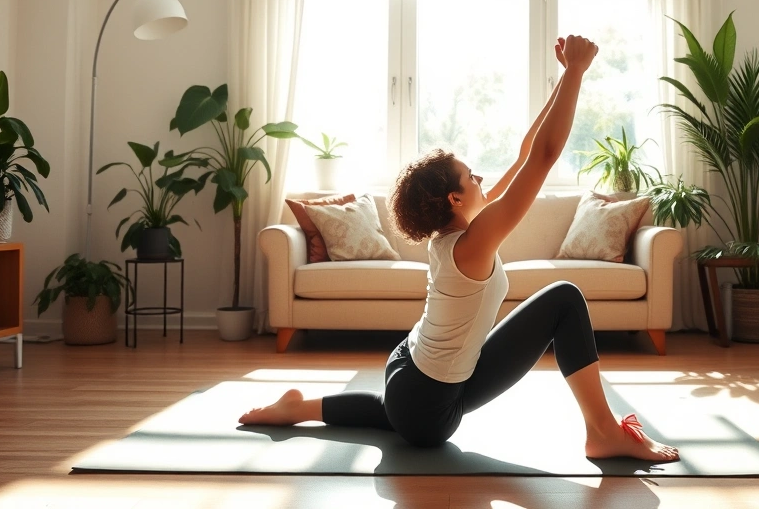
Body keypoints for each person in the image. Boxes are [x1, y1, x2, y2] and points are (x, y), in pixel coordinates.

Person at [240, 35, 679, 462]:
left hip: (410, 372)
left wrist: (564, 77)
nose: (481, 180)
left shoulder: (456, 236)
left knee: (398, 408)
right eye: (471, 177)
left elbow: (527, 153)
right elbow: (543, 158)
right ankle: (602, 432)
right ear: (453, 198)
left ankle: (300, 407)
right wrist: (580, 73)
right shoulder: (472, 244)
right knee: (564, 298)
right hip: (425, 403)